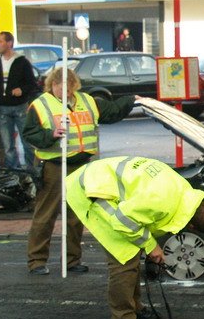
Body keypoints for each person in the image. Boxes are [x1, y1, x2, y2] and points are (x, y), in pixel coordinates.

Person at [66, 156, 204, 319]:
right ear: (192, 228)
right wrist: (151, 246)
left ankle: (135, 309)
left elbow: (147, 217)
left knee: (134, 247)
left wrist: (149, 245)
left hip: (99, 179)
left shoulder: (183, 191)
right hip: (91, 191)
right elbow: (123, 220)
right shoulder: (162, 204)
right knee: (124, 259)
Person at [21, 68, 135, 276]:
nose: (63, 90)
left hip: (82, 165)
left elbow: (112, 112)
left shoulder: (88, 101)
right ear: (52, 85)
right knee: (46, 214)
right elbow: (29, 133)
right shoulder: (41, 105)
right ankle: (36, 260)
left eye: (67, 86)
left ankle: (72, 259)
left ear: (74, 86)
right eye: (58, 86)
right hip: (54, 165)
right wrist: (51, 135)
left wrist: (132, 100)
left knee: (76, 215)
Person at [0, 31, 41, 173]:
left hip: (20, 107)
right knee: (8, 144)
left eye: (1, 41)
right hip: (2, 108)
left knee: (26, 140)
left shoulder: (22, 62)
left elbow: (32, 84)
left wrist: (22, 90)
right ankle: (12, 171)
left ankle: (32, 170)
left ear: (9, 43)